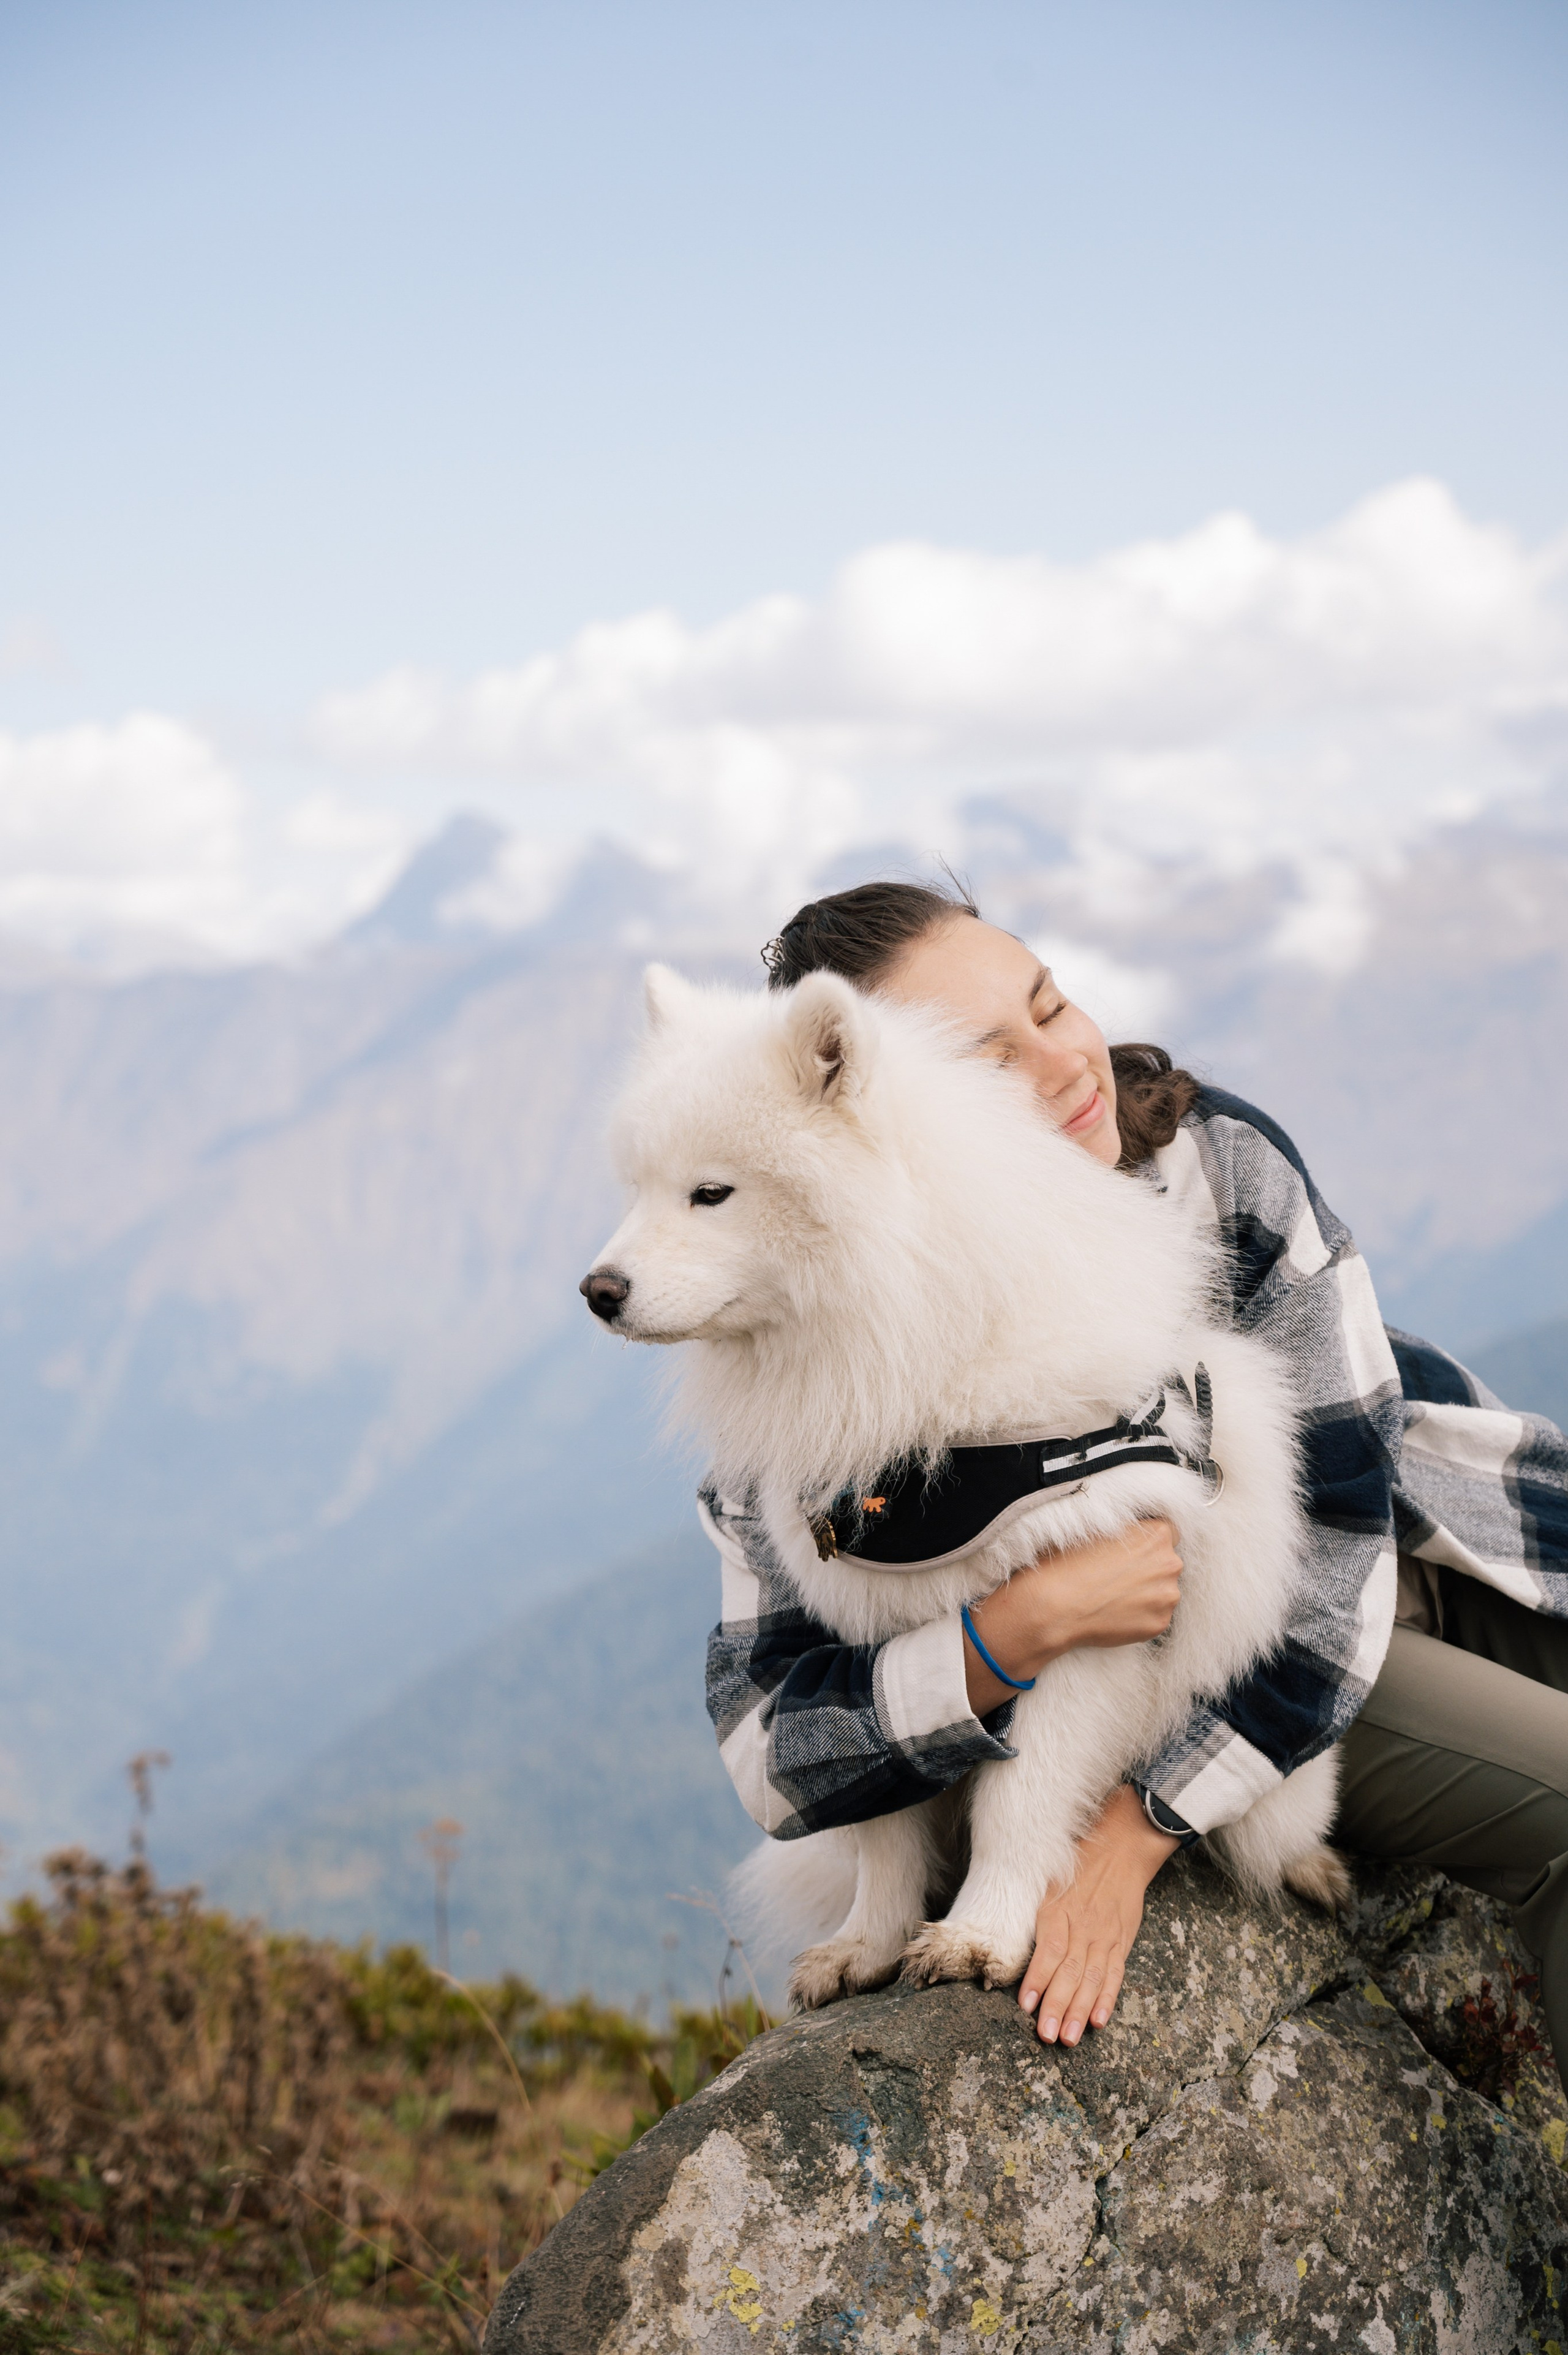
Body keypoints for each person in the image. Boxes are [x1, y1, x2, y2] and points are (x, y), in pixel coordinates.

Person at [702, 879, 1568, 2094]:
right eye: (982, 1062)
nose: (1063, 1066)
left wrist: (1128, 1834)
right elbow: (773, 1744)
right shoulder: (820, 1328)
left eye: (1049, 1004)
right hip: (1246, 1650)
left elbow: (1345, 1509)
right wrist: (1018, 1632)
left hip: (1424, 1538)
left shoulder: (1216, 1160)